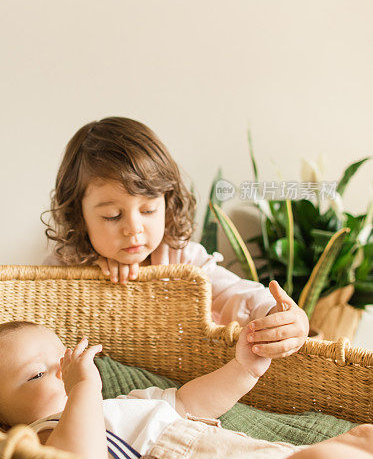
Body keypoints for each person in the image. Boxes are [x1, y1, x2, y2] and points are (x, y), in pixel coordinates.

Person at [0, 313, 373, 459]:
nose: (62, 371)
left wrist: (244, 368)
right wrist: (83, 388)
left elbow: (189, 401)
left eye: (61, 357)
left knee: (361, 440)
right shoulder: (45, 434)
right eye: (36, 375)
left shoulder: (124, 405)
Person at [44, 116, 309, 359]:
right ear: (78, 216)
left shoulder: (183, 259)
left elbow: (236, 294)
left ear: (167, 202)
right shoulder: (65, 267)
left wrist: (278, 315)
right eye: (112, 216)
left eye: (148, 210)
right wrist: (90, 276)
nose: (133, 228)